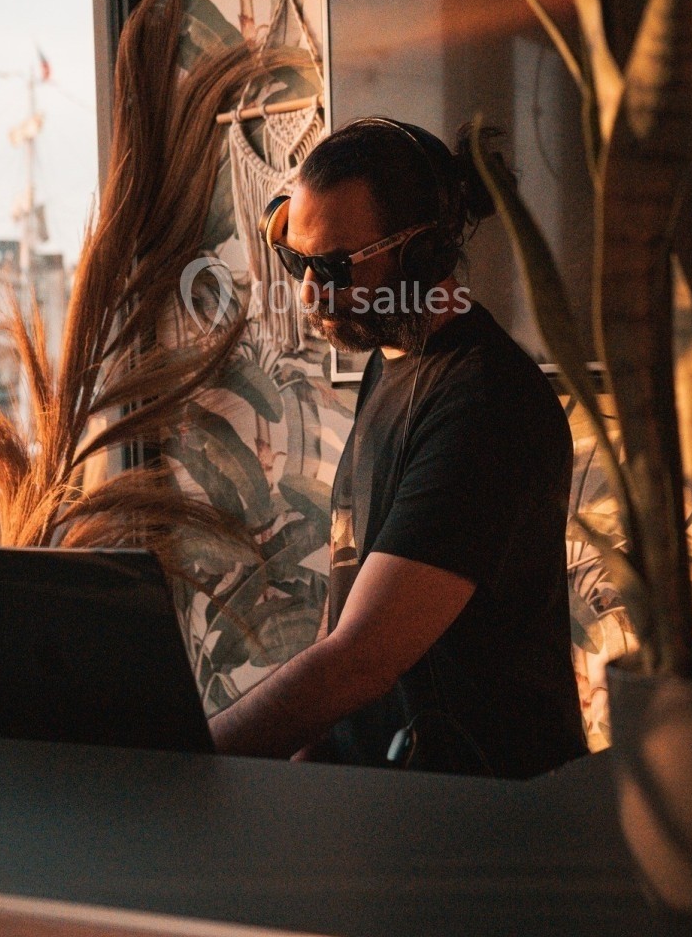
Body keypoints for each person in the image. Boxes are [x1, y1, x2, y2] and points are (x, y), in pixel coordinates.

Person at [209, 117, 587, 777]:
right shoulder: (389, 365)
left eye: (332, 266)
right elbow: (347, 612)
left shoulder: (484, 405)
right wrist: (307, 761)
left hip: (483, 823)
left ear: (423, 254)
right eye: (295, 261)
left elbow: (363, 659)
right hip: (397, 803)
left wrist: (187, 758)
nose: (307, 292)